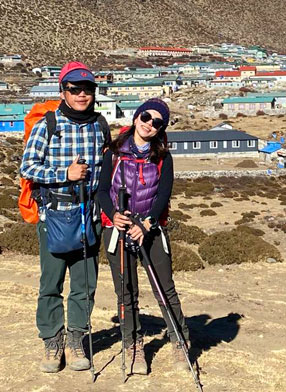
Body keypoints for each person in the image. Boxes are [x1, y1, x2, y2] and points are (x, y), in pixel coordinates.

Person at [19, 61, 108, 374]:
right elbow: (28, 168)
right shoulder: (48, 125)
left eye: (88, 89)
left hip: (90, 216)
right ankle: (52, 340)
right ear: (63, 91)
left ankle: (76, 340)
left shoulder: (100, 124)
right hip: (56, 216)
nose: (82, 94)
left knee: (85, 284)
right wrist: (64, 174)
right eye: (75, 89)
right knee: (51, 283)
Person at [97, 98, 191, 375]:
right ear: (137, 117)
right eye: (146, 118)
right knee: (126, 292)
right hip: (117, 228)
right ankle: (133, 345)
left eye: (157, 122)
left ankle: (180, 341)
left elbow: (164, 194)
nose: (150, 124)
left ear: (161, 129)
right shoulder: (113, 153)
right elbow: (102, 191)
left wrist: (148, 223)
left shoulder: (163, 157)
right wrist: (113, 215)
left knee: (165, 289)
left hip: (151, 228)